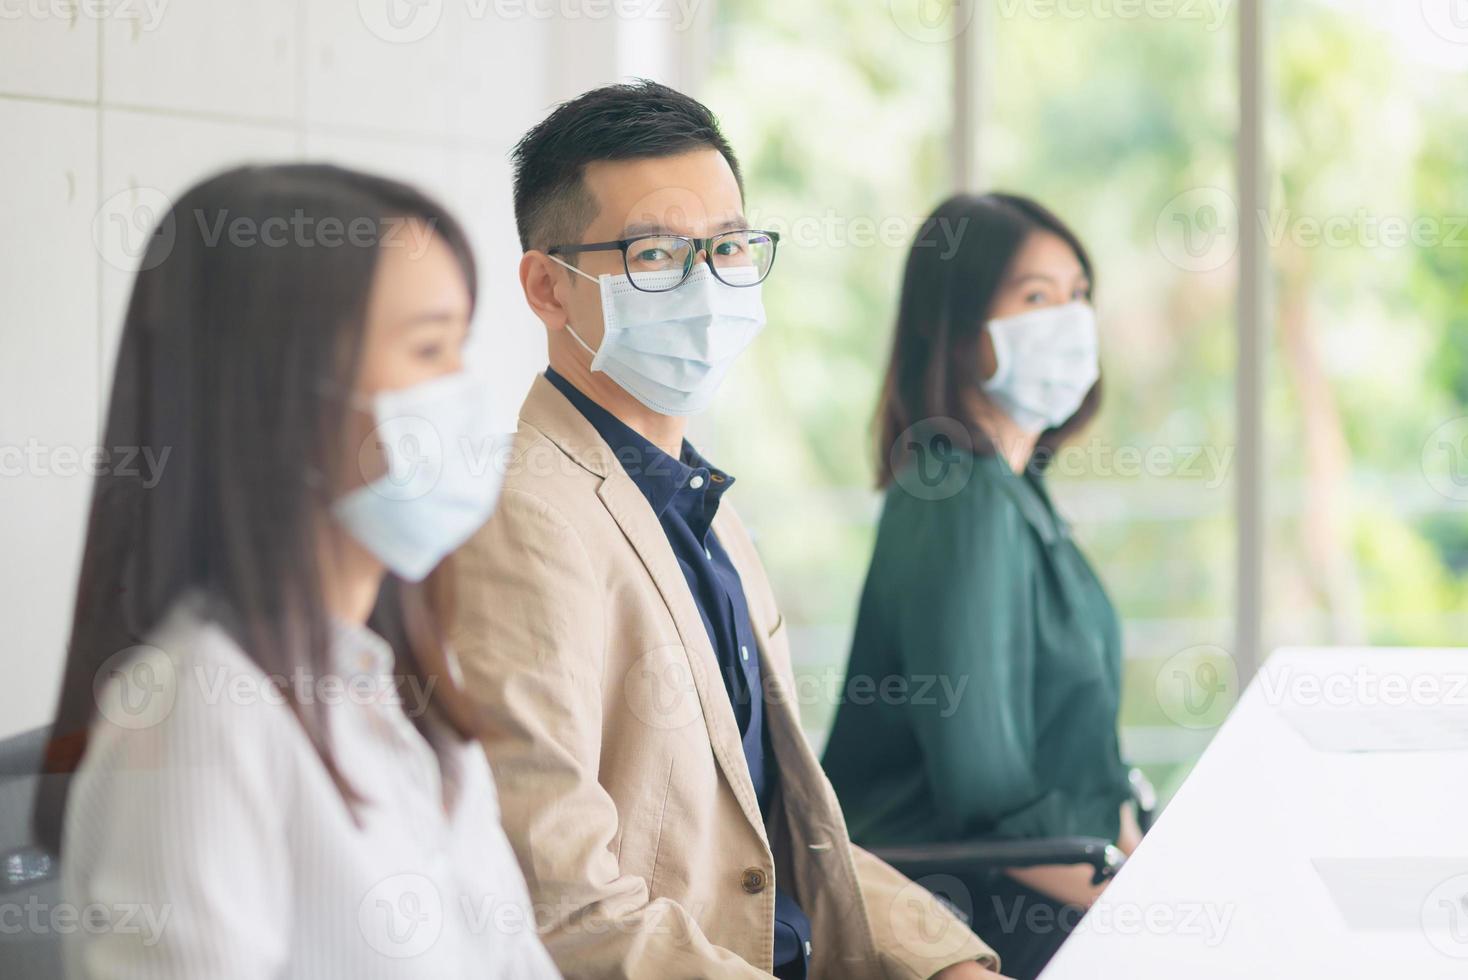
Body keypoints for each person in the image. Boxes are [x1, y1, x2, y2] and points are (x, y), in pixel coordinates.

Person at [447, 82, 1003, 979]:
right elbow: (565, 905)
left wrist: (949, 965)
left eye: (730, 245)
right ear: (548, 287)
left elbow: (787, 836)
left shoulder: (705, 506)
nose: (708, 282)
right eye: (657, 252)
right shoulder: (524, 518)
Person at [34, 164, 560, 979]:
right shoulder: (198, 714)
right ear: (278, 390)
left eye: (461, 347)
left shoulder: (396, 680)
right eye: (428, 349)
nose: (465, 394)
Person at [820, 192, 1142, 980]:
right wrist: (1152, 902)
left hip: (1048, 886)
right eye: (1036, 297)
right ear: (957, 329)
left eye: (1078, 295)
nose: (1068, 320)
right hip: (972, 917)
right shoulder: (959, 496)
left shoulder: (1013, 488)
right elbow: (987, 799)